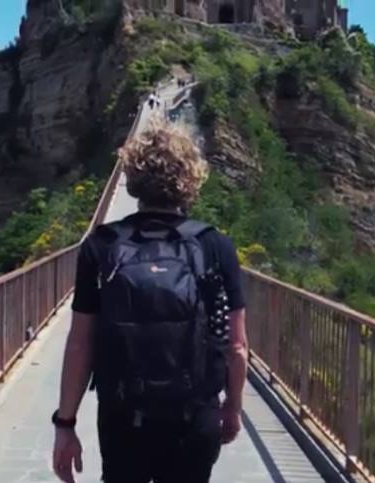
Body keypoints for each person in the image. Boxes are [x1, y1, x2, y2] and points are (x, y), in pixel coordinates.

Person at [52, 120, 249, 483]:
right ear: (191, 178)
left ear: (133, 177)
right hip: (195, 418)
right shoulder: (215, 246)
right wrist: (233, 407)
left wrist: (65, 424)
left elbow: (80, 343)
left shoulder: (102, 244)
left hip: (123, 419)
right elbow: (236, 346)